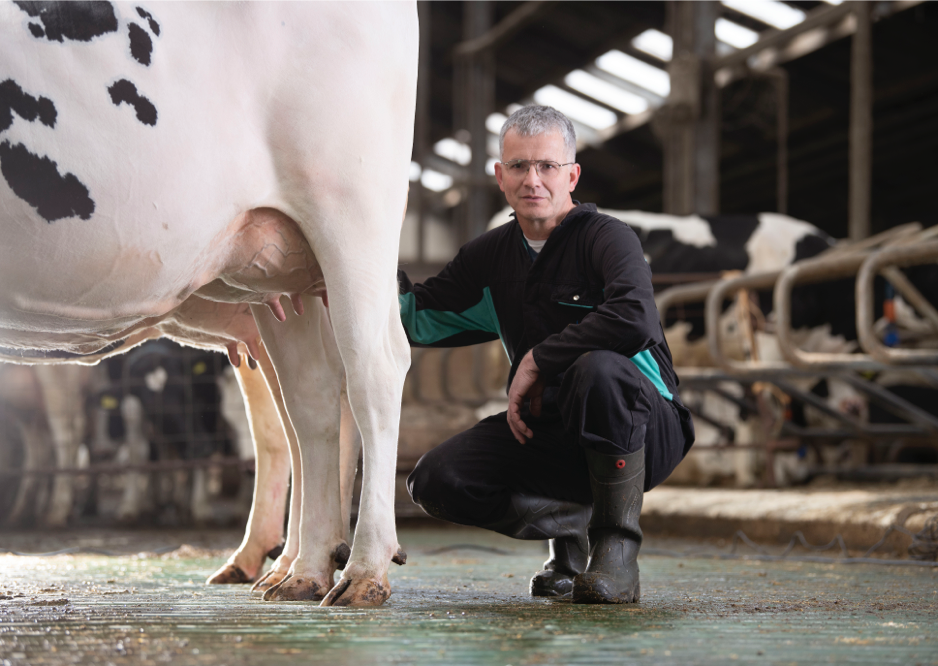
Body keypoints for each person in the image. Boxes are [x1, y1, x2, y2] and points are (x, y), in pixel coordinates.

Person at [399, 105, 695, 604]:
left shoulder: (607, 238)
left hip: (644, 426)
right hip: (548, 430)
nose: (532, 179)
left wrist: (537, 359)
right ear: (499, 175)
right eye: (518, 166)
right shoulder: (489, 256)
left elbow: (635, 319)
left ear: (572, 174)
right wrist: (352, 270)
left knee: (598, 369)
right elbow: (418, 316)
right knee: (436, 480)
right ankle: (573, 526)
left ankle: (615, 553)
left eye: (547, 166)